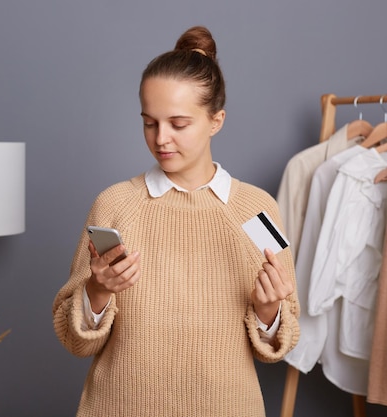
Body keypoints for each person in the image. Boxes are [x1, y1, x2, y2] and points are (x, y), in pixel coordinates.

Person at [53, 25, 300, 417]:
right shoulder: (115, 204)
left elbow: (279, 344)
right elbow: (75, 341)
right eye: (149, 122)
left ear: (216, 120)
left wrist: (269, 312)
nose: (161, 139)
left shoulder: (257, 209)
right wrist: (97, 292)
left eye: (178, 124)